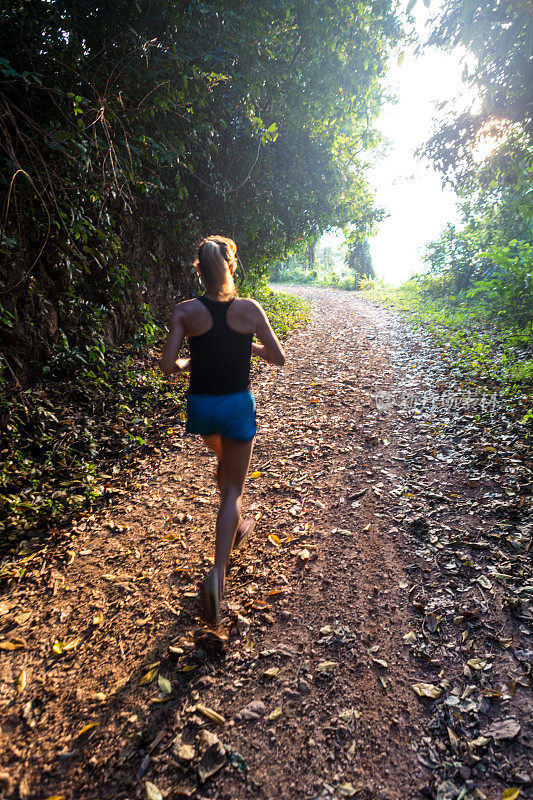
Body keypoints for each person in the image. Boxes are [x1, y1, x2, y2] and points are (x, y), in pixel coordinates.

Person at [160, 235, 286, 625]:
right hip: (236, 407)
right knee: (233, 489)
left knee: (223, 466)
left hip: (201, 411)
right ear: (232, 266)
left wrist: (190, 363)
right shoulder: (249, 309)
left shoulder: (185, 311)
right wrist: (253, 349)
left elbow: (168, 366)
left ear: (199, 270)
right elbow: (279, 357)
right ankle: (218, 575)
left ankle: (235, 527)